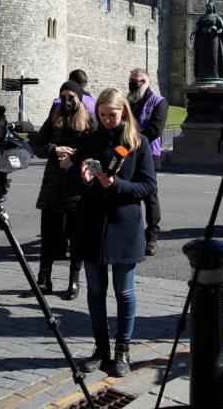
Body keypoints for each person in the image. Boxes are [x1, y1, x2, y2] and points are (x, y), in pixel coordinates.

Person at [74, 88, 156, 377]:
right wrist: (84, 179)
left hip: (124, 224)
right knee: (96, 291)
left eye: (112, 115)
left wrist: (116, 185)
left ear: (124, 112)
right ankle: (100, 348)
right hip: (92, 223)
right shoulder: (90, 140)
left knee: (124, 290)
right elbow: (78, 185)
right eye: (102, 115)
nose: (107, 120)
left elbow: (147, 188)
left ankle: (123, 348)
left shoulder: (138, 143)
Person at [31, 80, 96, 300]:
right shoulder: (54, 117)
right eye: (63, 96)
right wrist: (54, 150)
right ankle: (43, 278)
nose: (67, 101)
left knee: (76, 237)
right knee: (49, 236)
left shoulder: (88, 120)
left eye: (71, 97)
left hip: (76, 188)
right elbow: (37, 145)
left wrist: (75, 158)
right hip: (52, 187)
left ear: (79, 99)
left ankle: (74, 280)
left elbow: (96, 151)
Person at [127, 68, 168, 256]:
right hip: (127, 153)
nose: (131, 83)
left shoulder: (159, 102)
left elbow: (155, 130)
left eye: (134, 80)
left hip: (149, 154)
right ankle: (130, 233)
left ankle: (152, 236)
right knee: (127, 193)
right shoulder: (128, 101)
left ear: (144, 81)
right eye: (130, 80)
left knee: (150, 195)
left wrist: (132, 141)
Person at [190, 0, 223, 81]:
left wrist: (217, 32)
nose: (208, 8)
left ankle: (215, 75)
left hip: (213, 40)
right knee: (202, 59)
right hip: (202, 41)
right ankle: (202, 75)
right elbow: (197, 27)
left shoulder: (216, 17)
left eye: (209, 7)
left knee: (213, 58)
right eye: (207, 7)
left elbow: (222, 28)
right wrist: (193, 32)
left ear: (213, 8)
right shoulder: (202, 17)